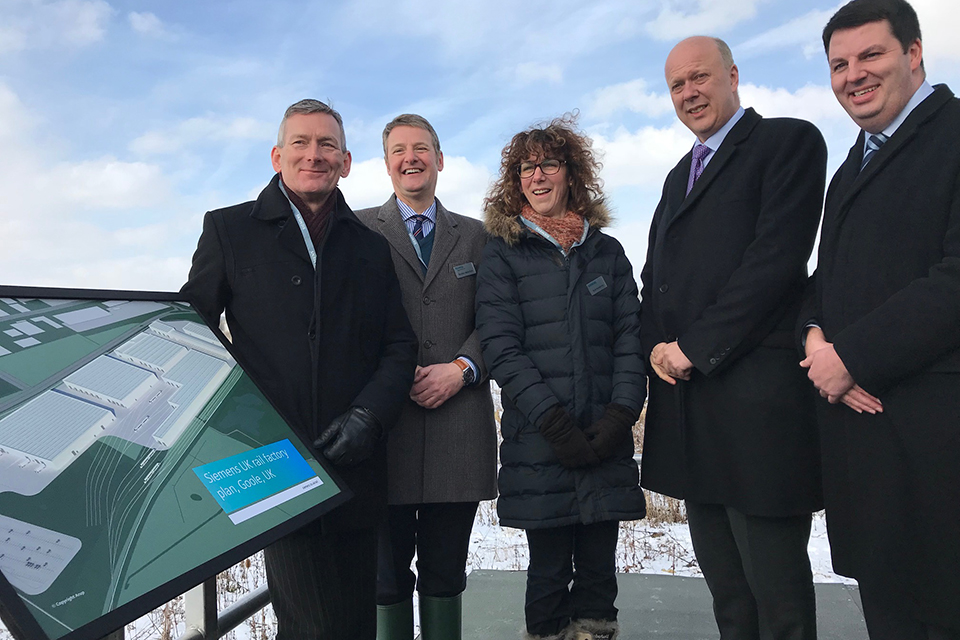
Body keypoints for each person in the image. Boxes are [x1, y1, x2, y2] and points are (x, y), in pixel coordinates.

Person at [181, 99, 418, 639]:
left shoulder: (371, 247)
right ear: (277, 155)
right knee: (311, 624)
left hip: (357, 463)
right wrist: (247, 419)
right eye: (301, 143)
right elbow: (192, 329)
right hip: (275, 463)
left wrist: (369, 416)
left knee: (357, 619)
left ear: (346, 161)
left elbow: (398, 346)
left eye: (327, 144)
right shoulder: (229, 230)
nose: (314, 154)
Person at [639, 37, 826, 639]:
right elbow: (656, 278)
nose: (688, 93)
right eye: (676, 85)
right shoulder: (676, 177)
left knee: (779, 602)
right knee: (730, 597)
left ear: (734, 75)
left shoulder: (787, 143)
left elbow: (774, 263)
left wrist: (694, 347)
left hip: (755, 408)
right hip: (691, 412)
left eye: (699, 77)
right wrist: (654, 346)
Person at [801, 1, 960, 637]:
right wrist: (813, 337)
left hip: (935, 442)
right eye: (840, 64)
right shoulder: (852, 165)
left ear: (915, 52)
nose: (853, 75)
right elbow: (827, 277)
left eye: (872, 55)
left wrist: (855, 357)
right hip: (868, 451)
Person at [475, 117, 646, 640]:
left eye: (549, 163)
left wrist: (620, 416)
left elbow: (630, 340)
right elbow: (502, 347)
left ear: (572, 174)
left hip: (605, 438)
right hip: (541, 442)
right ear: (516, 180)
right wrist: (553, 422)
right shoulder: (503, 253)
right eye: (527, 167)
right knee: (548, 572)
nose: (538, 175)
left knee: (598, 573)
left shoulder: (607, 252)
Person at [355, 114, 497, 640]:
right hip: (383, 436)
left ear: (440, 159)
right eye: (399, 150)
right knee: (384, 581)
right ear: (386, 163)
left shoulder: (479, 237)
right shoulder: (357, 231)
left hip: (456, 435)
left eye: (421, 148)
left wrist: (462, 369)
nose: (410, 158)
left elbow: (502, 320)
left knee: (444, 575)